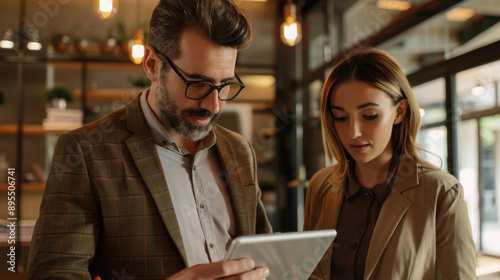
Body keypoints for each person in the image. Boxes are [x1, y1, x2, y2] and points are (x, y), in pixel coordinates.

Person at [26, 0, 272, 279]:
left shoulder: (240, 150)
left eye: (225, 85)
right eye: (197, 83)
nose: (213, 105)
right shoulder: (85, 153)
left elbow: (267, 259)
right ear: (153, 65)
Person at [303, 47, 476, 279]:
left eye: (370, 115)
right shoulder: (320, 185)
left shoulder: (440, 192)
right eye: (341, 117)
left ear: (399, 111)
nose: (353, 132)